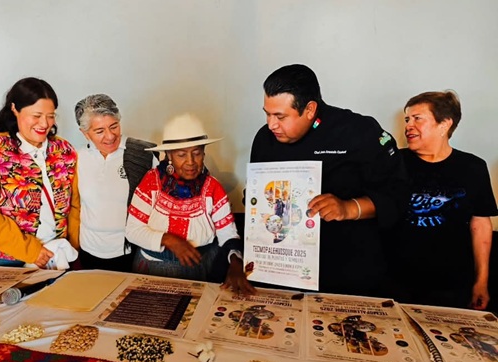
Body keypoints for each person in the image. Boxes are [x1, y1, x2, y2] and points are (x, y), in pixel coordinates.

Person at [250, 64, 406, 296]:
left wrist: (348, 208)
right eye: (267, 113)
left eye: (280, 116)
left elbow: (397, 196)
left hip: (347, 272)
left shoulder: (359, 132)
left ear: (310, 109)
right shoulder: (265, 140)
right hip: (284, 271)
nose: (271, 124)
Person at [386, 91, 497, 309]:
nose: (408, 126)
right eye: (407, 119)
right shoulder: (393, 162)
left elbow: (480, 225)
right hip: (393, 280)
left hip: (451, 285)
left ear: (444, 124)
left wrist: (482, 281)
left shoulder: (473, 167)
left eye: (417, 118)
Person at [126, 114, 255, 294]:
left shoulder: (213, 187)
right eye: (181, 155)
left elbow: (228, 233)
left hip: (203, 268)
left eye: (197, 153)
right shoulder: (151, 182)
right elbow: (132, 231)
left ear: (204, 153)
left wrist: (235, 261)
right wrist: (169, 240)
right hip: (155, 268)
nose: (191, 162)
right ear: (169, 155)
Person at [0, 77, 79, 268]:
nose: (44, 123)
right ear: (15, 109)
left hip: (55, 255)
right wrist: (30, 250)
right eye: (36, 115)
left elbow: (75, 206)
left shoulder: (64, 150)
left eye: (50, 116)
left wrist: (73, 247)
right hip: (2, 259)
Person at [73, 94, 158, 272]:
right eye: (99, 131)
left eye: (114, 126)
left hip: (131, 250)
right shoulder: (77, 158)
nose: (110, 136)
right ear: (85, 133)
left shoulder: (143, 154)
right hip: (89, 250)